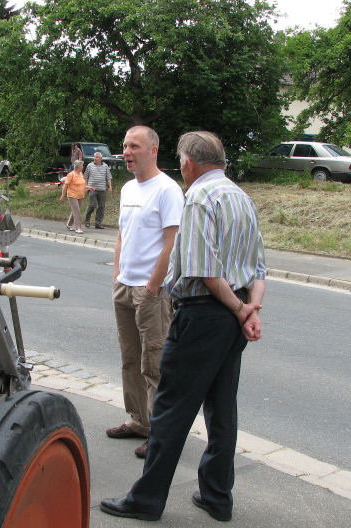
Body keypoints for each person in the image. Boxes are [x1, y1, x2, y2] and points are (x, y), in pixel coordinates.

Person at [101, 130, 265, 522]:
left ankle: (146, 500)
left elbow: (204, 271)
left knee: (171, 409)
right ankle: (217, 496)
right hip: (233, 315)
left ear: (188, 163)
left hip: (203, 313)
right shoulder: (242, 198)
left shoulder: (199, 198)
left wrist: (239, 308)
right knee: (222, 410)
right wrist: (250, 308)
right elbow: (258, 267)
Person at [107, 125, 184, 459]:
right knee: (130, 359)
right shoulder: (127, 189)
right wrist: (117, 275)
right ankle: (139, 420)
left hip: (150, 291)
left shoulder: (167, 190)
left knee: (154, 363)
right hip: (125, 286)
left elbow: (173, 241)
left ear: (153, 150)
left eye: (134, 146)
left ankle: (161, 433)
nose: (127, 152)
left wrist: (154, 285)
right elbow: (123, 236)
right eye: (125, 146)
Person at [83, 151, 113, 228]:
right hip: (92, 188)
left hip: (102, 189)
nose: (95, 158)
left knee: (101, 206)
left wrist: (110, 186)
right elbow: (85, 176)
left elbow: (108, 177)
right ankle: (87, 220)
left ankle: (98, 223)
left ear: (100, 158)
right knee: (92, 205)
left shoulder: (105, 166)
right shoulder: (90, 166)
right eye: (94, 157)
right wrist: (86, 186)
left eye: (97, 157)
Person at [60, 159, 86, 233]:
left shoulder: (81, 174)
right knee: (76, 211)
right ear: (78, 167)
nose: (83, 167)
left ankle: (69, 224)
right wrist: (62, 195)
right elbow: (65, 186)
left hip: (80, 195)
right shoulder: (71, 174)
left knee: (75, 210)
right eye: (82, 166)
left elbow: (82, 184)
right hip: (72, 195)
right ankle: (78, 228)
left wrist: (88, 187)